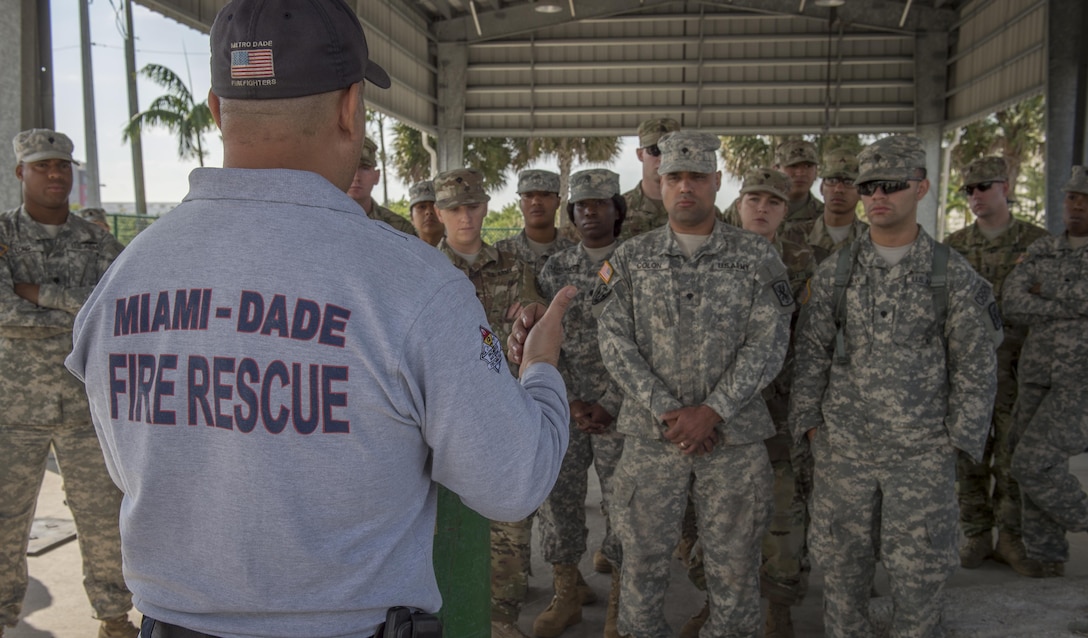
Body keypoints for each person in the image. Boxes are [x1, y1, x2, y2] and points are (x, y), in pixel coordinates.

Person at [63, 3, 572, 637]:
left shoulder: (125, 279)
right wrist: (541, 368)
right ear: (350, 108)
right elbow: (513, 482)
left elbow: (137, 464)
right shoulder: (412, 284)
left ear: (219, 110)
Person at [790, 135, 1001, 638]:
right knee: (842, 577)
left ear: (922, 188)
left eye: (892, 185)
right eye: (868, 187)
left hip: (920, 456)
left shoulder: (952, 275)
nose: (877, 196)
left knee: (919, 578)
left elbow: (976, 365)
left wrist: (954, 440)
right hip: (844, 454)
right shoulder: (836, 273)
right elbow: (810, 357)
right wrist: (812, 429)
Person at [596, 131, 792, 637]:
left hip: (733, 439)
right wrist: (668, 410)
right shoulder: (631, 260)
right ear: (659, 184)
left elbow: (768, 343)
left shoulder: (756, 257)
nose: (687, 187)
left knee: (736, 571)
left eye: (698, 177)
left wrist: (714, 410)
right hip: (650, 439)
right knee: (640, 570)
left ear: (717, 182)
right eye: (675, 177)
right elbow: (615, 342)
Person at [0, 129, 134, 638]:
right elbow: (2, 313)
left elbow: (119, 309)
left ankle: (114, 617)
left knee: (103, 518)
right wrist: (79, 308)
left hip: (85, 407)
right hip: (13, 409)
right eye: (42, 166)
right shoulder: (3, 235)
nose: (55, 174)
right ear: (21, 173)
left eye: (62, 166)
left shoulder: (98, 240)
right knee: (4, 521)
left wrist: (37, 293)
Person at [677, 168, 815, 638]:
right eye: (753, 199)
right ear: (738, 204)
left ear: (785, 210)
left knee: (781, 519)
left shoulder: (803, 260)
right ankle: (720, 606)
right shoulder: (714, 252)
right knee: (718, 524)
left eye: (773, 202)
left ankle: (778, 606)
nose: (761, 208)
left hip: (780, 411)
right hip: (718, 414)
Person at [431, 167, 547, 638]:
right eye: (454, 208)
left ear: (485, 208)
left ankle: (503, 622)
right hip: (439, 427)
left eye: (473, 206)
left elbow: (533, 333)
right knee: (439, 533)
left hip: (502, 420)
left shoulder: (517, 269)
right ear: (438, 213)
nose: (465, 216)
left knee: (510, 531)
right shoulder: (421, 269)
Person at [534, 169, 627, 638]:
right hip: (569, 407)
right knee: (560, 500)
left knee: (623, 505)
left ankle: (619, 603)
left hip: (624, 407)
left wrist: (610, 401)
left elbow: (648, 341)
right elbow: (550, 338)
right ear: (571, 214)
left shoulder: (637, 262)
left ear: (617, 210)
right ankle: (566, 593)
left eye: (599, 204)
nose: (590, 212)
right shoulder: (556, 269)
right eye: (581, 206)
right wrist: (569, 401)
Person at [945, 156, 1049, 576]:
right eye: (968, 190)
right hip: (969, 371)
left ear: (1005, 187)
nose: (975, 196)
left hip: (1021, 371)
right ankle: (975, 533)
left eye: (983, 186)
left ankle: (1010, 537)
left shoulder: (1039, 244)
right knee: (969, 455)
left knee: (1013, 457)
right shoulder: (953, 247)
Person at [1005, 165, 1088, 581]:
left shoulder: (1044, 263)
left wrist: (1048, 291)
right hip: (1037, 374)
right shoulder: (1043, 250)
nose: (1076, 206)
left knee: (1033, 464)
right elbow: (1013, 303)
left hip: (1080, 382)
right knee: (1025, 461)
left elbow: (1033, 298)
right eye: (1072, 197)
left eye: (1085, 199)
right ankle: (1046, 556)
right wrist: (1076, 304)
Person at [721, 139, 824, 229]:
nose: (801, 173)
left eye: (808, 166)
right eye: (793, 166)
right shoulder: (743, 208)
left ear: (816, 171)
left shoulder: (824, 215)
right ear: (776, 169)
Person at [796, 147, 868, 263]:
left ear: (861, 192)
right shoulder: (794, 236)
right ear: (821, 188)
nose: (838, 189)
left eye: (849, 182)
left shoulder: (872, 238)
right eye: (832, 181)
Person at [495, 170, 573, 274]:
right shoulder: (500, 253)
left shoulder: (574, 254)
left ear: (558, 202)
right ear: (520, 204)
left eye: (545, 194)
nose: (536, 202)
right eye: (528, 195)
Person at [619, 117, 679, 241]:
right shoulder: (617, 211)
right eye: (655, 150)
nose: (662, 158)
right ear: (640, 154)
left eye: (669, 151)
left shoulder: (695, 208)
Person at [348, 136, 417, 236]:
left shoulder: (399, 229)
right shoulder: (323, 221)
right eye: (351, 167)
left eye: (364, 168)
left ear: (376, 176)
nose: (356, 177)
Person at [408, 180, 444, 246]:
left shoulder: (462, 250)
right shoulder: (404, 251)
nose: (429, 212)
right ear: (411, 217)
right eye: (422, 207)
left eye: (435, 206)